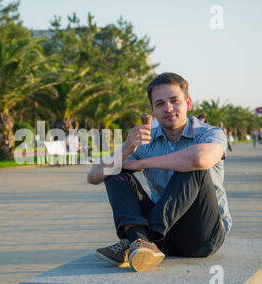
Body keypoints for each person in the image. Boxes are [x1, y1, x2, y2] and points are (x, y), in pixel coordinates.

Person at [87, 72, 231, 272]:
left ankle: (138, 241)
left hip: (203, 236)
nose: (168, 108)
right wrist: (128, 148)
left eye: (174, 101)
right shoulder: (146, 139)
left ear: (188, 103)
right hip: (164, 238)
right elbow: (93, 176)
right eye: (161, 103)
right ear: (152, 109)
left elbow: (199, 159)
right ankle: (139, 239)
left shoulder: (209, 133)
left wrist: (142, 163)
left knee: (194, 166)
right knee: (114, 168)